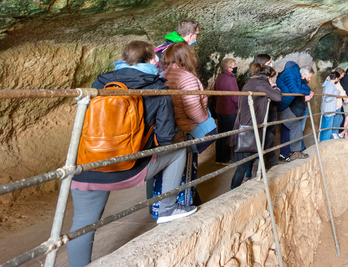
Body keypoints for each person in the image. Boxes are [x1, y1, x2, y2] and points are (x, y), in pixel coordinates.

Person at [68, 41, 196, 267]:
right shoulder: (156, 87)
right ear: (152, 60)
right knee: (178, 150)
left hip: (87, 166)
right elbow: (166, 138)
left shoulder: (99, 83)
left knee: (82, 225)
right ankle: (167, 208)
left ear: (123, 59)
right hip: (128, 167)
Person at [162, 42, 216, 206]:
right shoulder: (186, 77)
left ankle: (172, 200)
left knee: (173, 166)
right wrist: (206, 120)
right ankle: (186, 201)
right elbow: (193, 109)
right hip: (187, 129)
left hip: (170, 128)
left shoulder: (164, 75)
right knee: (187, 165)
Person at [230, 64, 282, 189]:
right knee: (243, 163)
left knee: (250, 156)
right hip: (249, 126)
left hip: (247, 123)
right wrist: (275, 88)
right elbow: (277, 97)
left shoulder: (252, 82)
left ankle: (247, 177)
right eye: (272, 78)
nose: (272, 80)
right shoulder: (261, 84)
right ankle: (233, 188)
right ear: (268, 77)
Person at [276, 62, 314, 160]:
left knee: (293, 127)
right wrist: (308, 92)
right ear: (304, 74)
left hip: (287, 105)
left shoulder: (296, 75)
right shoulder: (290, 74)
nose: (309, 80)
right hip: (282, 105)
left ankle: (291, 152)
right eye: (309, 77)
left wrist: (309, 91)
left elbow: (303, 87)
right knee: (294, 126)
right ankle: (293, 152)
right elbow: (296, 90)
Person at [213, 58, 239, 165]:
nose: (236, 67)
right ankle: (225, 159)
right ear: (229, 68)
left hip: (220, 109)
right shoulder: (231, 78)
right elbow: (235, 96)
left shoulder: (219, 77)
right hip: (230, 110)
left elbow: (215, 92)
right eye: (234, 65)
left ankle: (219, 158)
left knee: (221, 134)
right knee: (228, 135)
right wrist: (239, 107)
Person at [320, 71, 342, 141]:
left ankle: (321, 141)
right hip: (329, 110)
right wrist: (336, 93)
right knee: (328, 128)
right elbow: (327, 98)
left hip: (326, 109)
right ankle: (325, 143)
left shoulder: (327, 84)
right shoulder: (330, 85)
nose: (338, 80)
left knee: (324, 127)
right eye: (338, 78)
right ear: (336, 78)